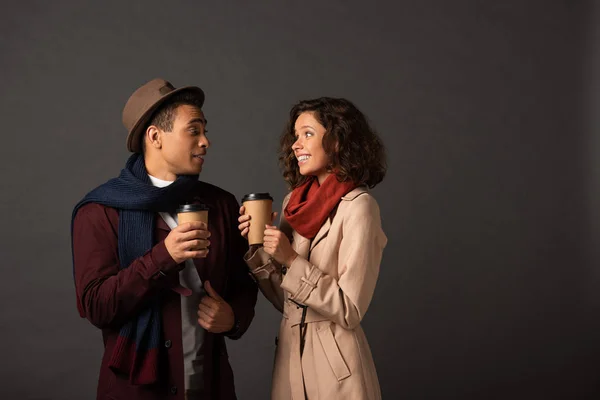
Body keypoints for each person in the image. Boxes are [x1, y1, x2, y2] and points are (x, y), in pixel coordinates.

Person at [71, 78, 257, 400]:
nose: (205, 142)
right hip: (137, 391)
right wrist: (163, 257)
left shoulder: (221, 205)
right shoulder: (100, 211)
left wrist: (233, 319)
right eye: (194, 130)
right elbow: (97, 306)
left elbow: (243, 283)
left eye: (205, 131)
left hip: (209, 386)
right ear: (155, 136)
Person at [238, 97, 387, 399]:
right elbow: (288, 302)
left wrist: (290, 259)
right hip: (291, 361)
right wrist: (260, 245)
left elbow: (349, 310)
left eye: (307, 133)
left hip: (336, 368)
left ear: (337, 141)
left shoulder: (359, 208)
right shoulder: (294, 205)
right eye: (295, 136)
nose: (295, 145)